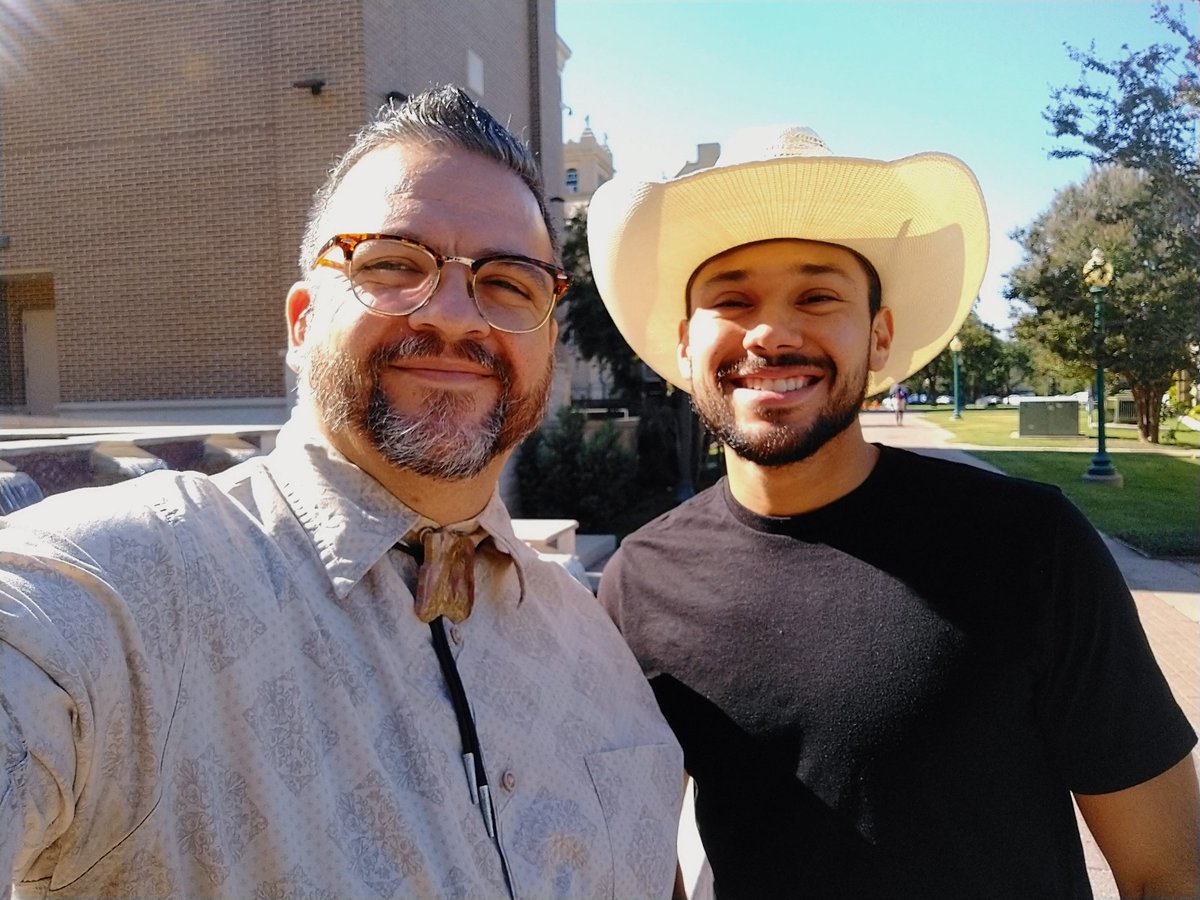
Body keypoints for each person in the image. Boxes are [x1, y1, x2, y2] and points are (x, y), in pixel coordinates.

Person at [0, 86, 683, 899]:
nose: (459, 315)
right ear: (300, 322)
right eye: (392, 264)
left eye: (510, 283)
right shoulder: (114, 595)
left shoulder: (594, 644)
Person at [585, 125, 1199, 898]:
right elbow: (637, 857)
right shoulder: (638, 583)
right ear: (684, 346)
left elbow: (1167, 870)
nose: (771, 332)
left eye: (818, 296)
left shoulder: (1028, 547)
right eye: (732, 299)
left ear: (879, 336)